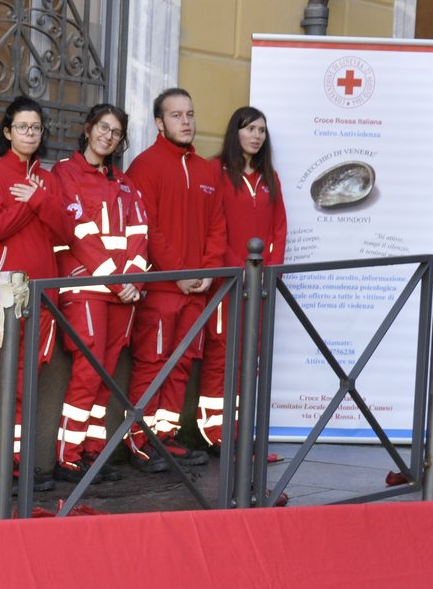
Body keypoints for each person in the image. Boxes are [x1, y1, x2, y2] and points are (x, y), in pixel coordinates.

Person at [124, 87, 228, 469]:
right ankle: (140, 441)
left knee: (182, 362)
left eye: (190, 114)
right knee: (152, 362)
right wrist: (178, 274)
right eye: (176, 115)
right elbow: (147, 228)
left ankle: (165, 437)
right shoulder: (145, 166)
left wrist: (207, 272)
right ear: (159, 123)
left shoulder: (206, 170)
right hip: (162, 288)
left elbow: (218, 226)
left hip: (197, 289)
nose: (186, 122)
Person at [50, 103, 149, 482]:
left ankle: (93, 452)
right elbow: (79, 233)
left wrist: (134, 282)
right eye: (103, 128)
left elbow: (140, 234)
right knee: (88, 371)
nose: (108, 136)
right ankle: (68, 457)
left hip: (122, 292)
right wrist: (118, 280)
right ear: (88, 128)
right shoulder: (64, 174)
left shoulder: (124, 182)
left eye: (116, 132)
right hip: (86, 288)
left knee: (106, 374)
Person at [0, 95, 68, 493]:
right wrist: (31, 205)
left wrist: (39, 198)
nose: (30, 133)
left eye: (36, 128)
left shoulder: (48, 180)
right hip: (7, 295)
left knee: (27, 384)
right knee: (2, 383)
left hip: (43, 295)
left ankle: (16, 463)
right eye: (23, 127)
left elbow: (66, 231)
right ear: (8, 131)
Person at [202, 105, 288, 446]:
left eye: (261, 130)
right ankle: (215, 434)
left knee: (250, 360)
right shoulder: (215, 171)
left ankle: (241, 434)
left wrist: (270, 272)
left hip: (261, 285)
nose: (256, 136)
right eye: (249, 128)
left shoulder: (270, 177)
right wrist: (240, 270)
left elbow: (279, 229)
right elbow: (214, 228)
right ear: (235, 133)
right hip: (229, 283)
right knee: (222, 357)